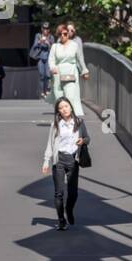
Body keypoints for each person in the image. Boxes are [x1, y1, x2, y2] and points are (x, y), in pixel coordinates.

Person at [42, 97, 91, 230]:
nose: (64, 109)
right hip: (59, 161)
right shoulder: (56, 125)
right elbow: (50, 144)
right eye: (61, 108)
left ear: (71, 107)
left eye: (66, 106)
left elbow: (87, 138)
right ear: (58, 111)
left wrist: (83, 141)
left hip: (73, 160)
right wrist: (46, 161)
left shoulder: (79, 122)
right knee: (59, 193)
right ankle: (61, 220)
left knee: (73, 193)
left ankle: (68, 210)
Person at [48, 22, 85, 116]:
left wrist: (84, 70)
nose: (63, 36)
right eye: (60, 34)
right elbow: (51, 59)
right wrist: (52, 68)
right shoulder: (55, 46)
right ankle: (60, 119)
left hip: (71, 73)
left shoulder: (74, 45)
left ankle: (72, 118)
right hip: (58, 74)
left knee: (70, 97)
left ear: (68, 34)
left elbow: (80, 59)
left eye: (65, 33)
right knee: (58, 99)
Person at [29, 22, 54, 100]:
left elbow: (53, 48)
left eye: (47, 29)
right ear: (42, 29)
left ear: (49, 30)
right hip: (40, 58)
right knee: (42, 75)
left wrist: (48, 43)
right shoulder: (38, 36)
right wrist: (40, 42)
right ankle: (42, 92)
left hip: (48, 58)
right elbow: (34, 46)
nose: (45, 30)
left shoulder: (51, 37)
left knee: (48, 75)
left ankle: (48, 91)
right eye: (44, 28)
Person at [66, 22, 90, 88]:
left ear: (75, 30)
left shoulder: (77, 40)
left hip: (74, 67)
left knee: (73, 87)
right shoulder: (62, 39)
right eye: (68, 30)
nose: (70, 32)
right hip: (64, 68)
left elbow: (80, 55)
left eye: (72, 30)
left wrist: (84, 70)